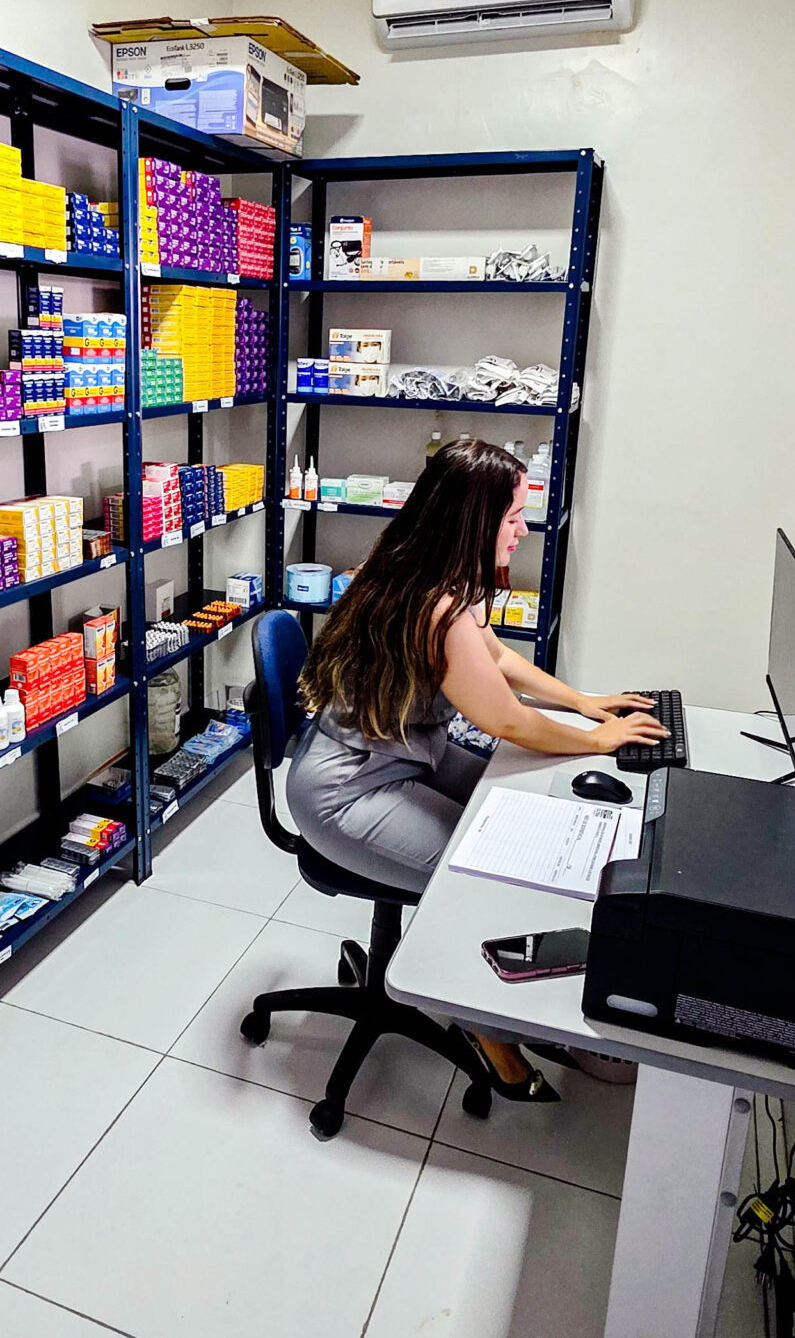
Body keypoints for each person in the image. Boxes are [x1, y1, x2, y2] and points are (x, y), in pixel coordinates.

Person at [291, 438, 667, 1100]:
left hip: (402, 751)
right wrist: (600, 741)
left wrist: (583, 703)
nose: (523, 529)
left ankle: (505, 995)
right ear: (474, 519)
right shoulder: (431, 605)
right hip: (347, 788)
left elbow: (497, 657)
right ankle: (486, 1028)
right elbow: (508, 722)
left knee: (522, 818)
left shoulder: (437, 572)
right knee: (478, 876)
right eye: (513, 516)